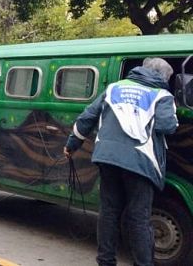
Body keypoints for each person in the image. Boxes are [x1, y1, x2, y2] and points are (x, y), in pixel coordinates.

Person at [64, 58, 178, 266]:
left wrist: (71, 145)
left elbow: (86, 118)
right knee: (138, 217)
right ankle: (144, 263)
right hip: (140, 161)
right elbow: (167, 127)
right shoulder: (162, 96)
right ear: (164, 77)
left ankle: (106, 261)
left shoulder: (114, 88)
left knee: (109, 211)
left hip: (107, 158)